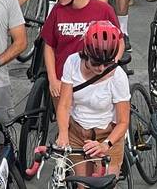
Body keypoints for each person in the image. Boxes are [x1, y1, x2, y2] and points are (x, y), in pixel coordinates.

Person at [54, 20, 129, 177]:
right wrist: (63, 133)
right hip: (77, 132)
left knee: (106, 184)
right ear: (86, 52)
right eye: (96, 62)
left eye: (107, 63)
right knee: (82, 184)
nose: (101, 68)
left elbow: (123, 122)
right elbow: (65, 104)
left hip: (108, 135)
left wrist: (105, 144)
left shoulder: (118, 76)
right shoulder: (72, 62)